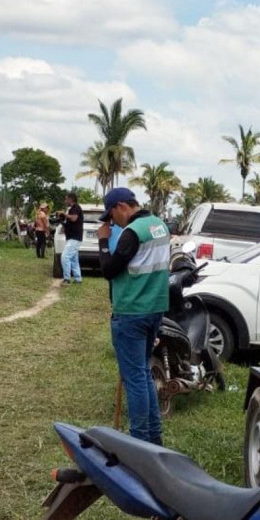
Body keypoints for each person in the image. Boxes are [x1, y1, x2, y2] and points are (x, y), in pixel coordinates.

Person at [97, 187, 171, 444]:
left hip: (131, 311)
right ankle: (153, 438)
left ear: (121, 207)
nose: (111, 222)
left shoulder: (132, 232)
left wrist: (103, 241)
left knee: (136, 377)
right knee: (143, 373)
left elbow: (108, 270)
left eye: (110, 216)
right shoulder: (159, 225)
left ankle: (139, 440)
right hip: (154, 308)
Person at [60, 192, 85, 285]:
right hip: (71, 237)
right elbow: (71, 222)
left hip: (75, 238)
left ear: (71, 199)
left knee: (65, 257)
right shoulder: (71, 209)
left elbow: (74, 218)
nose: (65, 200)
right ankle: (78, 279)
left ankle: (66, 279)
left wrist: (64, 214)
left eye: (66, 199)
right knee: (74, 259)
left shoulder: (76, 208)